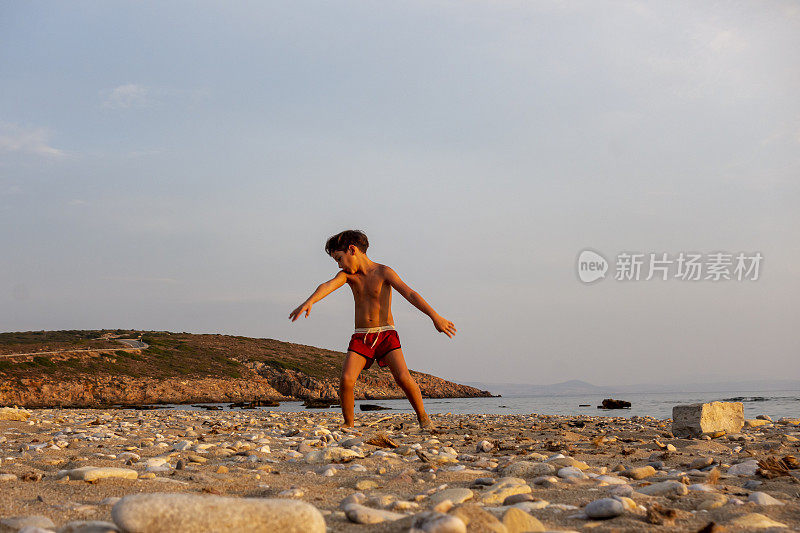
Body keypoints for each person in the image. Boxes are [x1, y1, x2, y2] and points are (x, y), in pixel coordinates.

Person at [289, 229, 456, 428]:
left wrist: (435, 317)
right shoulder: (347, 276)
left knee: (403, 378)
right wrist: (310, 301)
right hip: (362, 337)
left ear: (352, 250)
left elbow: (410, 293)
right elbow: (327, 285)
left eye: (339, 259)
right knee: (347, 379)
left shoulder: (383, 272)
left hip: (386, 334)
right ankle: (348, 423)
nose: (340, 265)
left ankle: (424, 419)